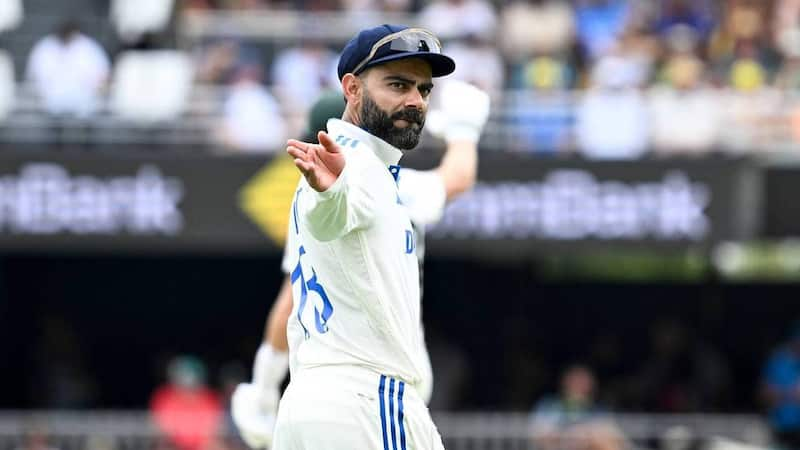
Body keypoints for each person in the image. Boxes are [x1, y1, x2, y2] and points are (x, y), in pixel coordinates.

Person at [231, 24, 489, 450]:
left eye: (423, 90)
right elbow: (335, 209)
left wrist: (262, 387)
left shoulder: (373, 169)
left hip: (315, 402)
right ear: (352, 88)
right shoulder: (356, 166)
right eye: (397, 84)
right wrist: (330, 193)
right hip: (369, 401)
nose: (415, 100)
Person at [530, 365, 625, 450]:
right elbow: (540, 433)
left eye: (584, 382)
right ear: (565, 383)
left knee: (605, 434)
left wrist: (585, 435)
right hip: (557, 446)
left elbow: (609, 433)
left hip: (588, 446)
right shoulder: (548, 405)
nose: (579, 386)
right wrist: (572, 435)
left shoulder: (598, 410)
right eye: (576, 381)